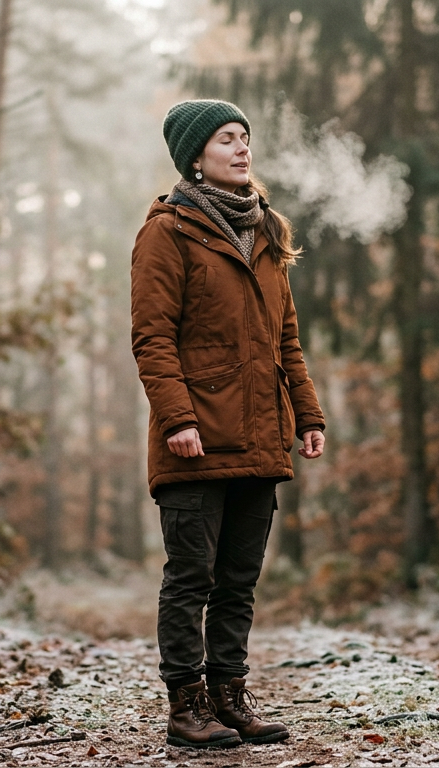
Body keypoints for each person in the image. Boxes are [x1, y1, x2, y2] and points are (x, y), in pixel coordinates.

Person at [130, 99, 326, 749]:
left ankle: (229, 698)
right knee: (192, 578)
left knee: (239, 582)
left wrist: (307, 413)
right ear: (195, 157)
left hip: (260, 436)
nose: (242, 148)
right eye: (225, 139)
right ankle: (186, 707)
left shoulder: (266, 230)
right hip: (194, 439)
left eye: (245, 137)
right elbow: (153, 338)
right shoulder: (167, 231)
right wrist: (177, 419)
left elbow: (286, 339)